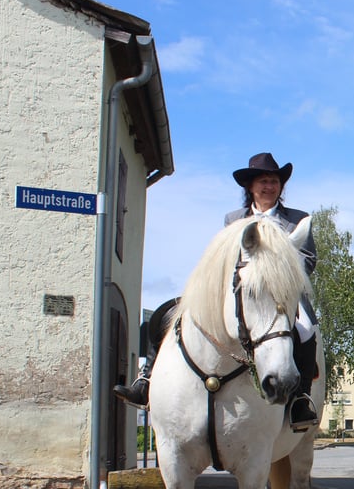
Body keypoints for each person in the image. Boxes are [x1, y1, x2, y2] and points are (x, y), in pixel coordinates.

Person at [115, 152, 320, 431]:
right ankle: (147, 380)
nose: (269, 186)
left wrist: (278, 265)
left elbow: (308, 259)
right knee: (168, 312)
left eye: (274, 181)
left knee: (306, 330)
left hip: (280, 295)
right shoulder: (233, 219)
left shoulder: (298, 219)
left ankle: (300, 399)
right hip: (240, 294)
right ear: (250, 186)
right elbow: (223, 259)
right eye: (263, 181)